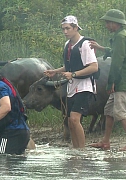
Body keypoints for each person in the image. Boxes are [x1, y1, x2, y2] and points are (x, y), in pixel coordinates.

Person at [44, 15, 98, 148]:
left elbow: (93, 66)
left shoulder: (85, 44)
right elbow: (70, 65)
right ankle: (76, 150)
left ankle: (82, 150)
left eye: (67, 28)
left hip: (85, 86)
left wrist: (73, 74)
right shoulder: (67, 45)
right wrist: (55, 71)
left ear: (75, 28)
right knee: (70, 120)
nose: (65, 32)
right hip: (72, 87)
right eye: (63, 29)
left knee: (74, 118)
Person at [89, 9, 126, 151]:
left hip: (122, 81)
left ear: (115, 23)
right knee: (109, 110)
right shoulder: (121, 35)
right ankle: (105, 141)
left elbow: (117, 62)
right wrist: (101, 48)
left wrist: (111, 82)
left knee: (120, 112)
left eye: (108, 23)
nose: (106, 25)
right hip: (121, 80)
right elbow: (115, 52)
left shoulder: (121, 37)